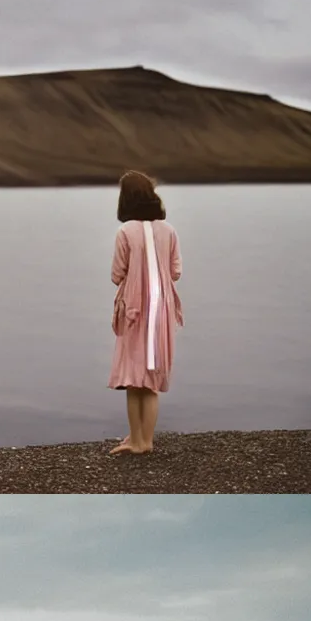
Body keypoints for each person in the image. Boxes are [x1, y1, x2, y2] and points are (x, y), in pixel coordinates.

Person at [107, 169, 183, 455]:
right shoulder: (169, 230)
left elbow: (117, 274)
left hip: (135, 311)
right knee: (150, 377)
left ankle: (137, 440)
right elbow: (175, 271)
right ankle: (144, 441)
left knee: (132, 375)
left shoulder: (125, 232)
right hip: (161, 310)